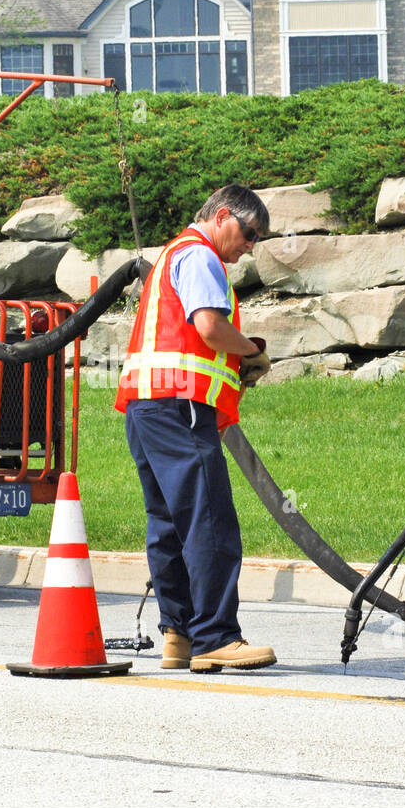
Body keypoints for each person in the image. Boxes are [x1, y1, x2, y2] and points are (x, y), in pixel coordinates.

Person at [114, 185, 276, 673]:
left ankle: (178, 633)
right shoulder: (201, 257)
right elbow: (209, 328)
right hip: (180, 408)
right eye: (249, 234)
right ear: (222, 215)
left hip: (146, 409)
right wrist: (251, 351)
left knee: (167, 522)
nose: (250, 246)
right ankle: (216, 637)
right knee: (209, 519)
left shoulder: (171, 255)